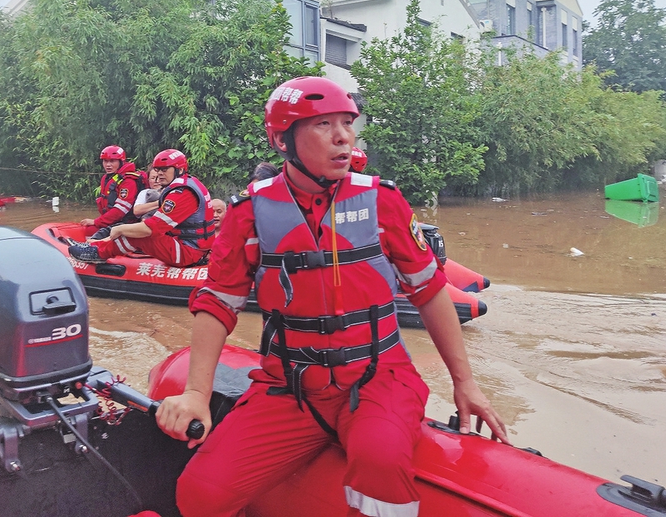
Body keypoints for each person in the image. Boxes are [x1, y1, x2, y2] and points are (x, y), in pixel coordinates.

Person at [156, 76, 509, 517]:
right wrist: (195, 393)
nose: (343, 136)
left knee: (380, 462)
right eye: (324, 124)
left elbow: (431, 291)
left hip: (379, 378)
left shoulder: (384, 202)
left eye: (348, 123)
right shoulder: (248, 214)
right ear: (283, 140)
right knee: (201, 492)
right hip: (289, 386)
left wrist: (465, 382)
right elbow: (217, 305)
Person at [69, 148, 216, 268]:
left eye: (164, 169)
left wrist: (119, 229)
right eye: (157, 170)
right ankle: (95, 246)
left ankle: (97, 254)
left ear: (179, 169)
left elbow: (151, 229)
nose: (159, 174)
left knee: (135, 234)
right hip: (192, 246)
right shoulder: (189, 183)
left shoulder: (182, 193)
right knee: (129, 229)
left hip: (189, 253)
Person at [80, 145, 146, 239]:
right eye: (105, 161)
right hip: (112, 221)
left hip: (126, 223)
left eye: (112, 161)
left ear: (121, 162)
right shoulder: (107, 178)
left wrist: (96, 222)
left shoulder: (128, 181)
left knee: (90, 231)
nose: (108, 165)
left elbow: (120, 210)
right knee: (88, 229)